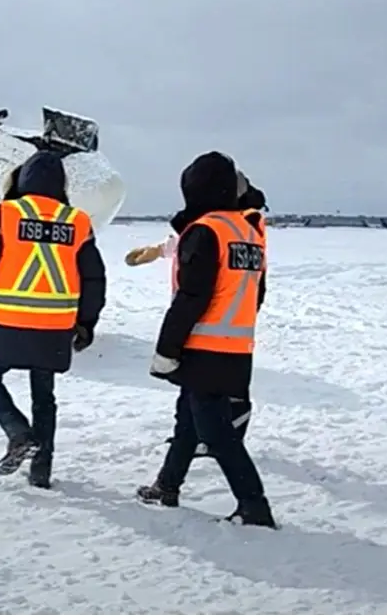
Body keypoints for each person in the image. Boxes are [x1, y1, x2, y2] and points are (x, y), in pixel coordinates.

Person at [0, 150, 107, 488]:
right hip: (54, 327)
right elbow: (94, 277)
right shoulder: (77, 221)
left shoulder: (7, 214)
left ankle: (18, 432)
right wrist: (87, 321)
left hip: (7, 321)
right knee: (44, 395)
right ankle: (41, 471)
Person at [137, 152, 275, 527]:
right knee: (188, 418)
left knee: (216, 434)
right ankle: (167, 484)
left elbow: (191, 296)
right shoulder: (248, 231)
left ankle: (254, 506)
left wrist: (167, 349)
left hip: (203, 346)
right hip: (236, 346)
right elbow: (256, 293)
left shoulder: (206, 231)